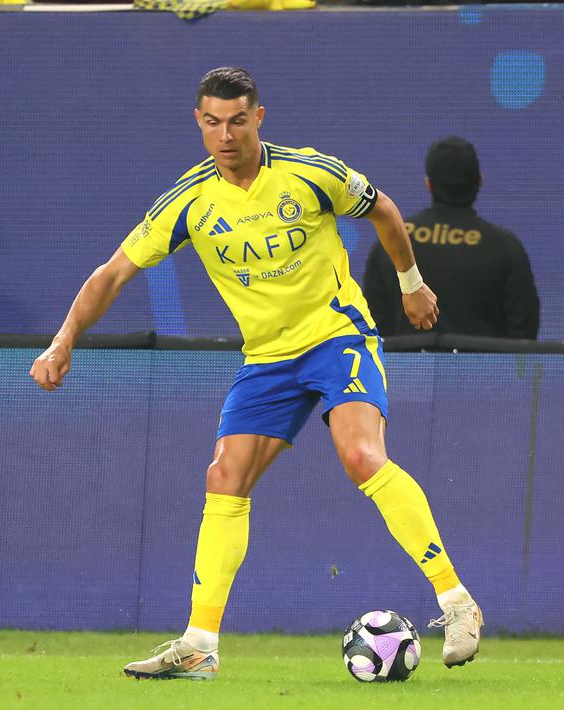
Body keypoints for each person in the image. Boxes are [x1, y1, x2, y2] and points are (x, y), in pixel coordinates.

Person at [29, 67, 482, 680]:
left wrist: (411, 282)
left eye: (237, 121)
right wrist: (63, 342)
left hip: (336, 336)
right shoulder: (189, 201)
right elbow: (112, 274)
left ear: (258, 118)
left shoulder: (309, 172)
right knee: (224, 476)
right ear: (198, 123)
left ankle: (457, 603)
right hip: (267, 358)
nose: (226, 135)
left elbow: (383, 210)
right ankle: (199, 645)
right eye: (213, 122)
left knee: (360, 456)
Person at [363, 136, 539, 339]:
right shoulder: (506, 247)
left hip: (404, 361)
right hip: (484, 361)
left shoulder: (392, 243)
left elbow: (372, 325)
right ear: (479, 181)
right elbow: (523, 334)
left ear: (429, 184)